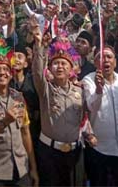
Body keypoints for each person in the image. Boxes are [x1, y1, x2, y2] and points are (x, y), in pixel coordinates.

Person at [0, 43, 39, 186]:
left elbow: (25, 132)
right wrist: (4, 121)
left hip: (21, 170)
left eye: (6, 69)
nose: (2, 72)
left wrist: (33, 168)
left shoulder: (18, 97)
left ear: (11, 75)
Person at [31, 21, 84, 187]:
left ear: (71, 70)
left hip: (74, 153)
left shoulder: (79, 91)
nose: (60, 67)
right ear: (51, 68)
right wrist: (40, 46)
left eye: (64, 64)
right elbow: (38, 73)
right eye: (56, 63)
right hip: (49, 153)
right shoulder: (45, 89)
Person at [82, 45, 118, 187]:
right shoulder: (88, 80)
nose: (105, 61)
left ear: (115, 62)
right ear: (95, 63)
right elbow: (92, 108)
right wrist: (99, 89)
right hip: (99, 147)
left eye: (109, 57)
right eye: (100, 58)